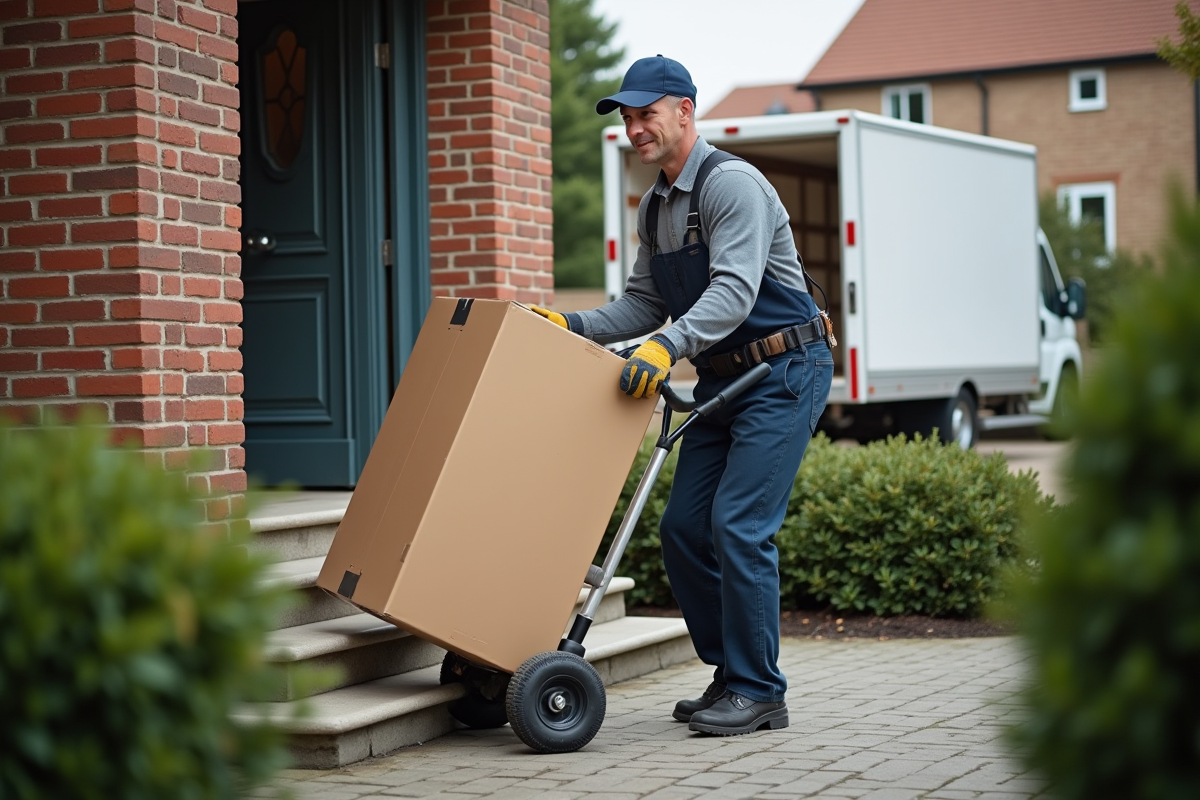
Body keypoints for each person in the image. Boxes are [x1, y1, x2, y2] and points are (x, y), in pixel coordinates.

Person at [532, 55, 833, 736]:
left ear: (685, 112)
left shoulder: (733, 186)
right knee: (683, 530)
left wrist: (670, 346)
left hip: (786, 372)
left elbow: (733, 290)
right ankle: (734, 673)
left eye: (647, 114)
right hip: (727, 380)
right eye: (629, 118)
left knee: (739, 525)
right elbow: (643, 302)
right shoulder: (656, 206)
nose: (637, 128)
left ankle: (761, 692)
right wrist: (573, 324)